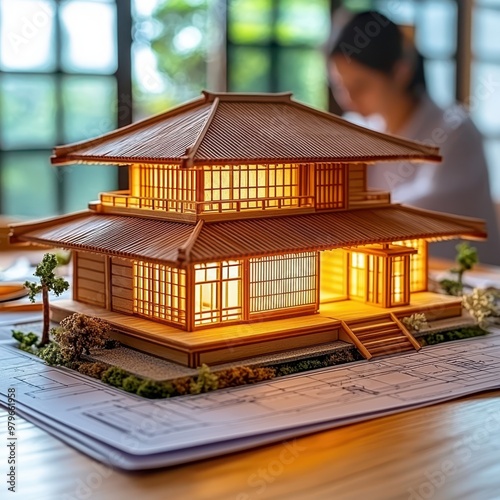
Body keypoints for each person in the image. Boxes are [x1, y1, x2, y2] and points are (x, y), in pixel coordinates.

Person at [327, 10, 500, 266]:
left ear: (400, 72)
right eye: (340, 86)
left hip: (466, 275)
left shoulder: (454, 130)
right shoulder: (362, 130)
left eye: (360, 86)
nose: (347, 100)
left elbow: (425, 212)